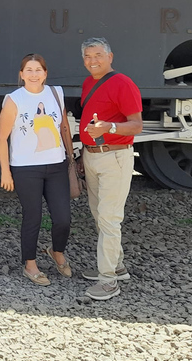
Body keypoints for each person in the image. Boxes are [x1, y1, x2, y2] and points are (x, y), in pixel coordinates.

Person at [0, 54, 74, 287]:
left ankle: (56, 251)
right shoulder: (14, 100)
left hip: (57, 165)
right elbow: (1, 137)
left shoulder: (56, 93)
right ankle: (30, 264)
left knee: (63, 219)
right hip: (26, 167)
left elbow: (64, 126)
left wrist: (71, 156)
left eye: (38, 69)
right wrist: (5, 172)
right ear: (21, 75)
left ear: (45, 73)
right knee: (33, 216)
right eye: (28, 70)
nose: (33, 74)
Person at [78, 38, 142, 301]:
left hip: (114, 157)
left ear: (110, 56)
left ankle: (108, 282)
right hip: (93, 156)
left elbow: (136, 126)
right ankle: (116, 267)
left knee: (108, 217)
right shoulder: (89, 83)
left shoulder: (123, 83)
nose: (93, 61)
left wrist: (109, 128)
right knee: (99, 214)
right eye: (88, 57)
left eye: (98, 55)